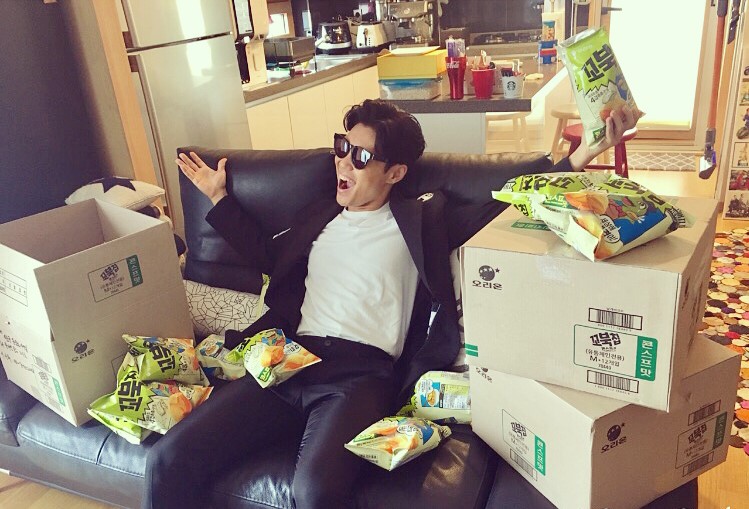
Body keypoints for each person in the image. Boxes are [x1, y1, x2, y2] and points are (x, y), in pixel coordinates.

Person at [144, 99, 638, 509]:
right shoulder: (319, 216)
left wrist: (586, 151)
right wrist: (219, 198)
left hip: (360, 375)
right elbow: (270, 256)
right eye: (343, 148)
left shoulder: (423, 220)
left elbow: (508, 204)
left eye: (360, 156)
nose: (343, 163)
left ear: (396, 172)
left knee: (313, 492)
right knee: (167, 457)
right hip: (290, 360)